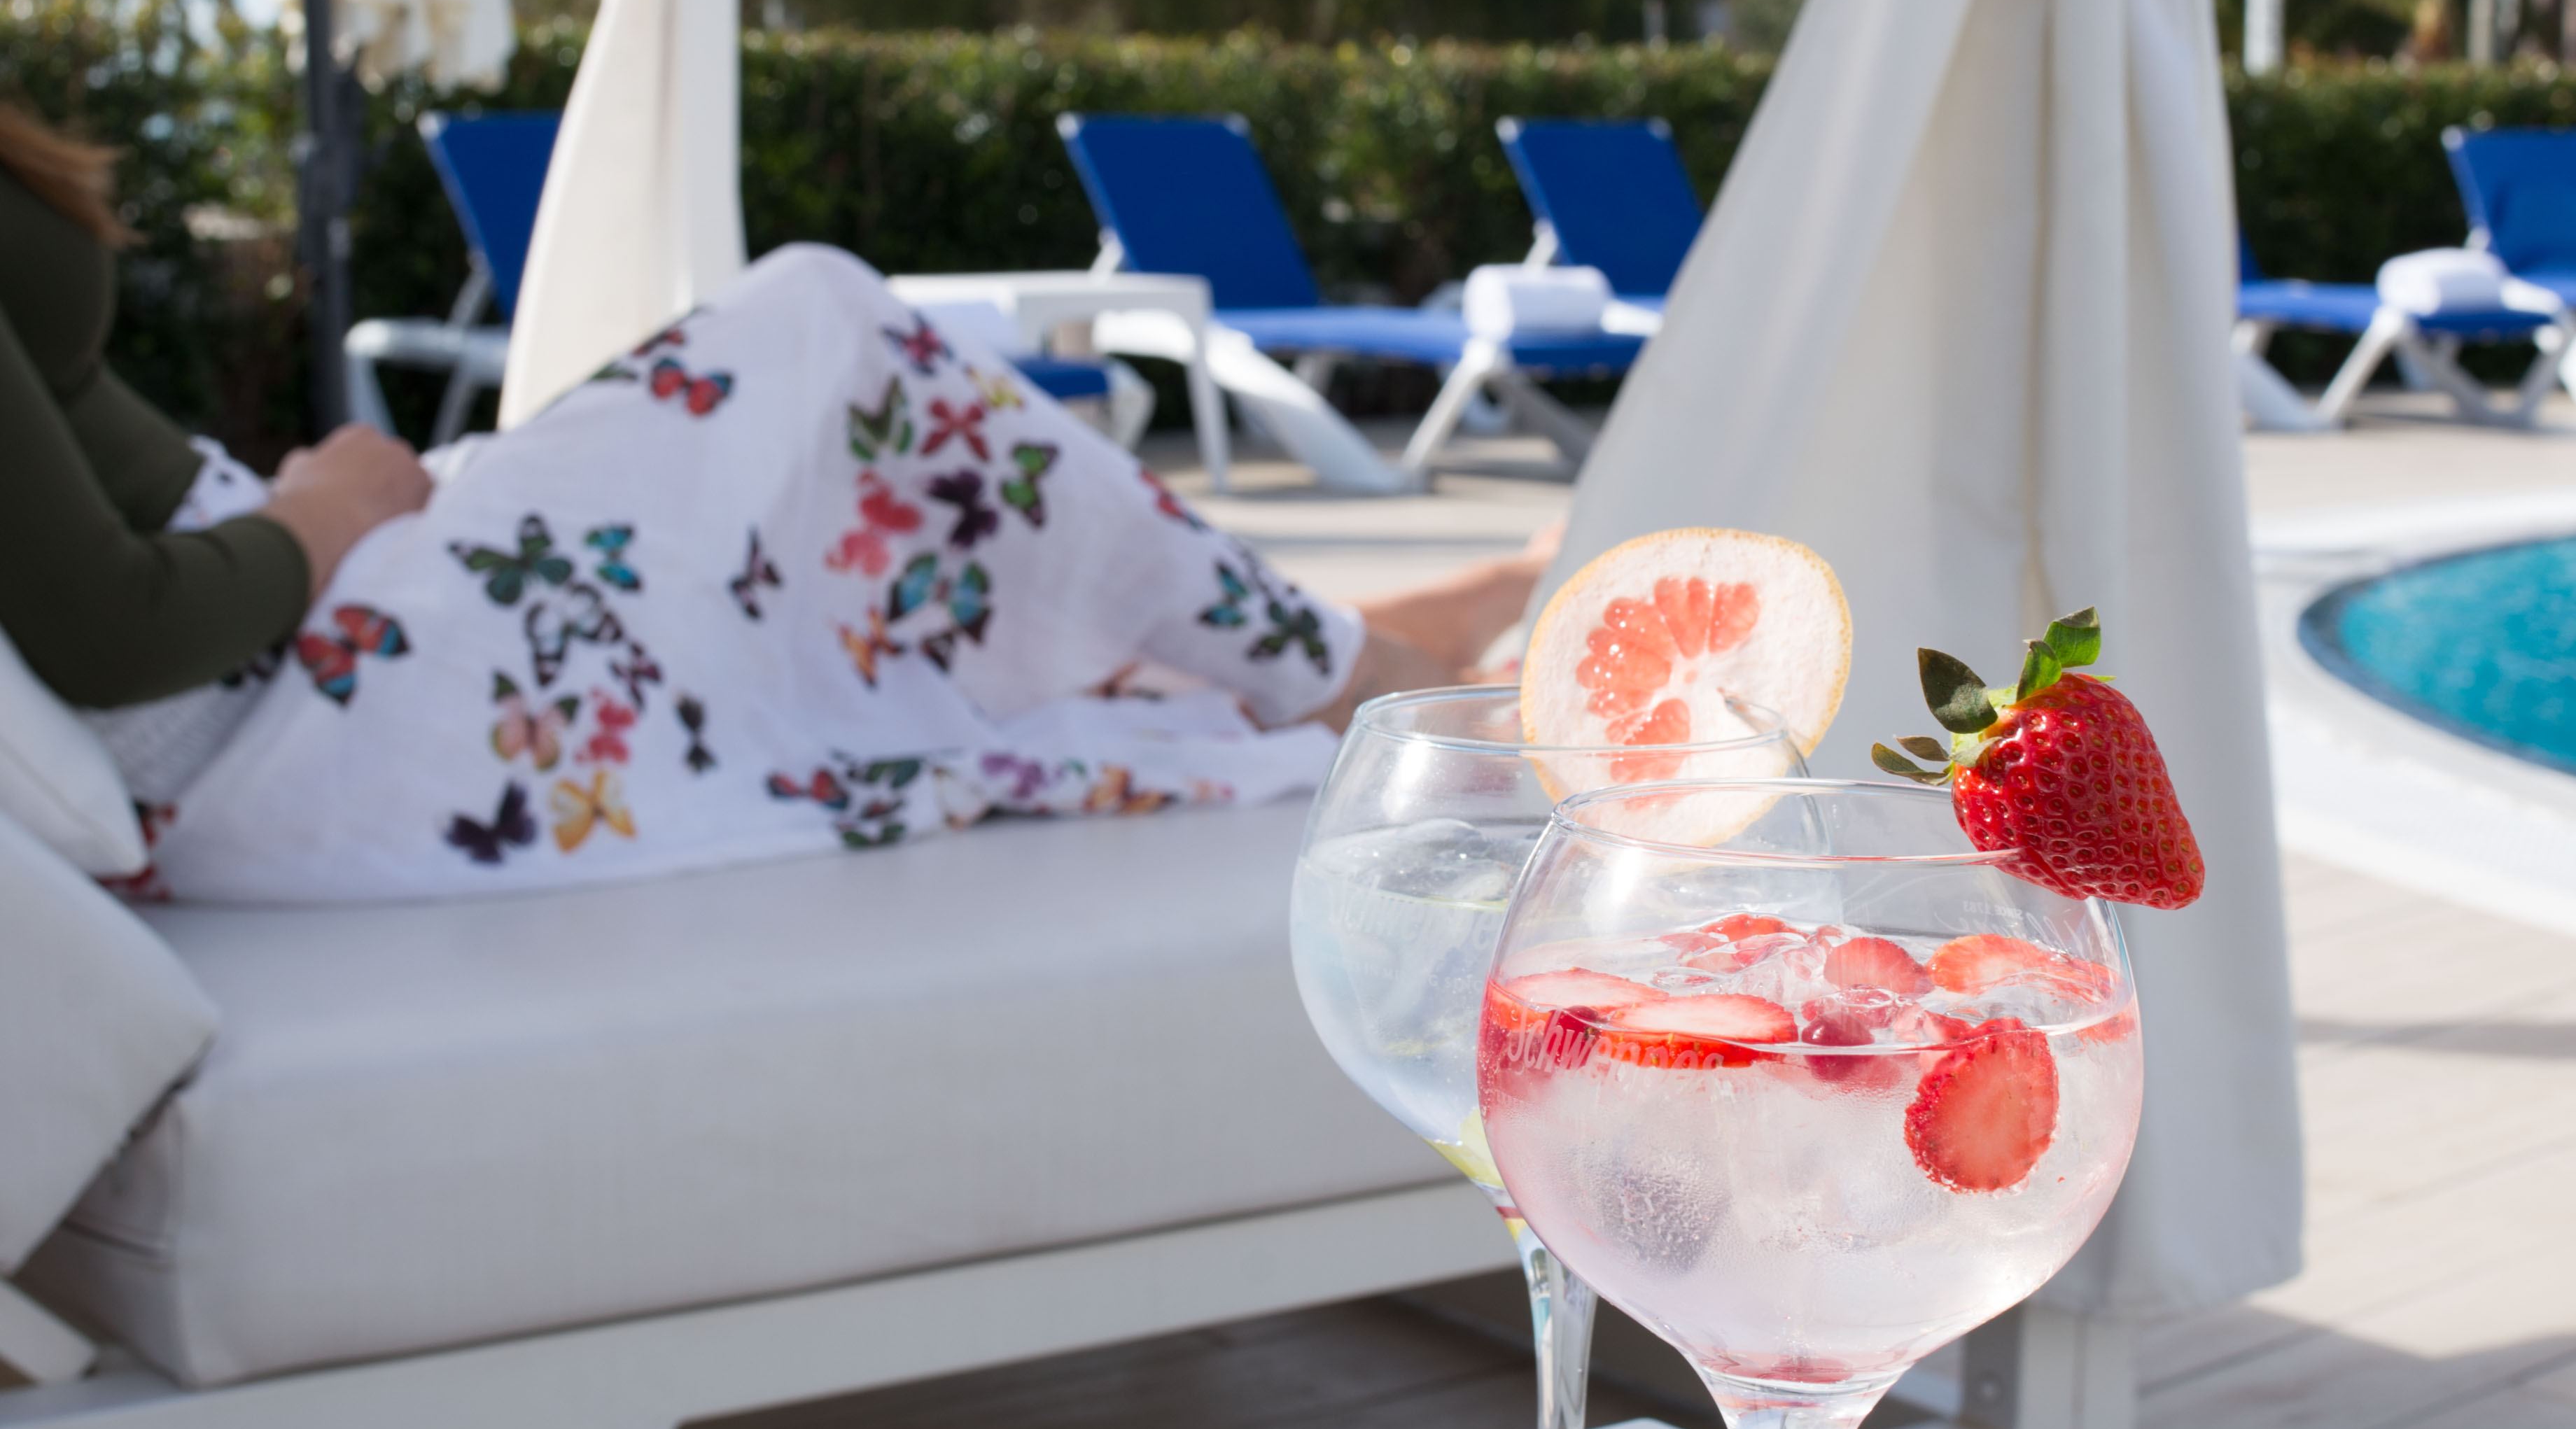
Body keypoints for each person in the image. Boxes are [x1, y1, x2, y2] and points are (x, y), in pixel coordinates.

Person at [0, 107, 1550, 903]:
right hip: (307, 709)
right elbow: (106, 629)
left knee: (824, 532)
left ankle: (1344, 650)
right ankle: (1357, 669)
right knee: (820, 323)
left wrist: (305, 518)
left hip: (309, 658)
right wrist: (328, 509)